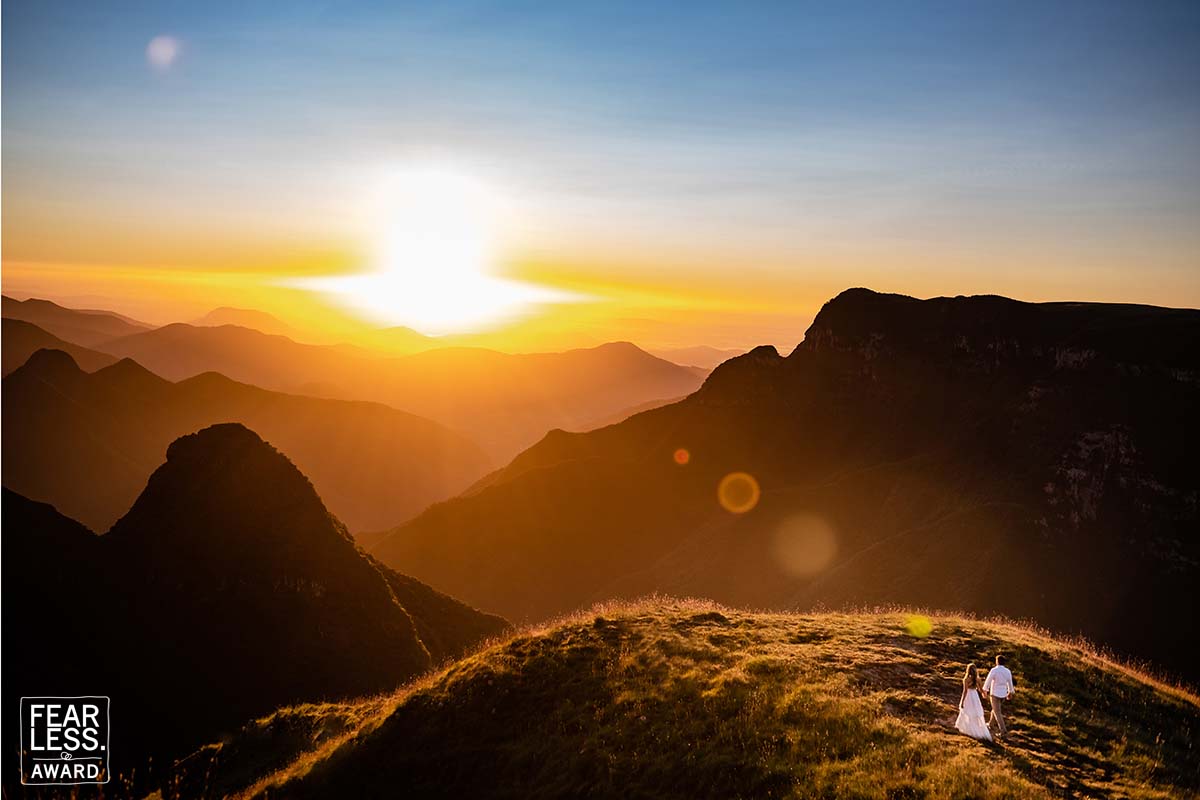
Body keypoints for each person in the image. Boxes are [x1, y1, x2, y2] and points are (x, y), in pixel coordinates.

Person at [954, 663, 992, 741]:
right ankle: (977, 729)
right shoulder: (977, 679)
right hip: (975, 696)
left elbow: (965, 691)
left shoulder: (966, 679)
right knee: (975, 712)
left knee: (967, 711)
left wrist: (962, 701)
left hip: (968, 696)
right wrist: (985, 695)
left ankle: (967, 728)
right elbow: (981, 690)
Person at [982, 654, 1015, 737]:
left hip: (994, 694)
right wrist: (1010, 692)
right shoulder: (1007, 671)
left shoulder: (994, 670)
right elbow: (1010, 682)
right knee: (995, 709)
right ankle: (990, 724)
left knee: (997, 712)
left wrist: (985, 690)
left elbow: (988, 680)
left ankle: (1003, 731)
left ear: (997, 662)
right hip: (1003, 694)